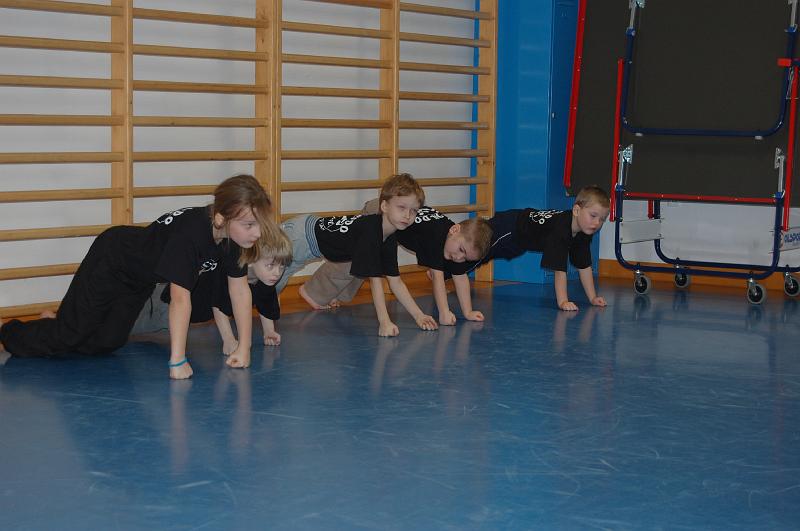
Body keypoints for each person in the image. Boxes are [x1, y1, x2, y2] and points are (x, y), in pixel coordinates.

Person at [0, 174, 279, 379]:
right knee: (68, 335)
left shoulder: (233, 239)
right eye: (249, 225)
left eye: (259, 225)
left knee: (108, 342)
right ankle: (8, 330)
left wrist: (244, 348)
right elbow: (180, 300)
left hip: (138, 280)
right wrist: (177, 360)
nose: (256, 233)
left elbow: (239, 291)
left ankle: (56, 322)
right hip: (111, 260)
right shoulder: (191, 235)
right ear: (220, 218)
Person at [277, 173, 438, 337]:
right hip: (300, 236)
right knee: (268, 280)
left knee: (271, 285)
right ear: (384, 206)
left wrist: (419, 316)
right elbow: (375, 281)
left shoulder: (388, 236)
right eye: (401, 207)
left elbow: (395, 281)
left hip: (306, 238)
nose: (407, 215)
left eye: (414, 210)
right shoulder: (371, 232)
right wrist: (384, 322)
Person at [302, 200, 493, 325]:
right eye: (461, 251)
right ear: (454, 230)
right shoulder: (437, 236)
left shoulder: (456, 243)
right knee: (356, 256)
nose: (459, 258)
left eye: (465, 258)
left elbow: (460, 277)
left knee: (366, 264)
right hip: (381, 213)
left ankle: (335, 293)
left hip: (395, 219)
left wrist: (468, 312)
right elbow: (437, 277)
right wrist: (444, 313)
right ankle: (313, 292)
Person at [466, 184, 610, 311]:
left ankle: (457, 268)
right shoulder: (561, 229)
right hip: (510, 226)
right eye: (593, 216)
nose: (597, 223)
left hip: (518, 242)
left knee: (486, 255)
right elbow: (560, 270)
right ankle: (456, 270)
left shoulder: (583, 233)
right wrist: (563, 301)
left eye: (602, 219)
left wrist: (593, 298)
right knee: (478, 250)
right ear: (577, 210)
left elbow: (584, 266)